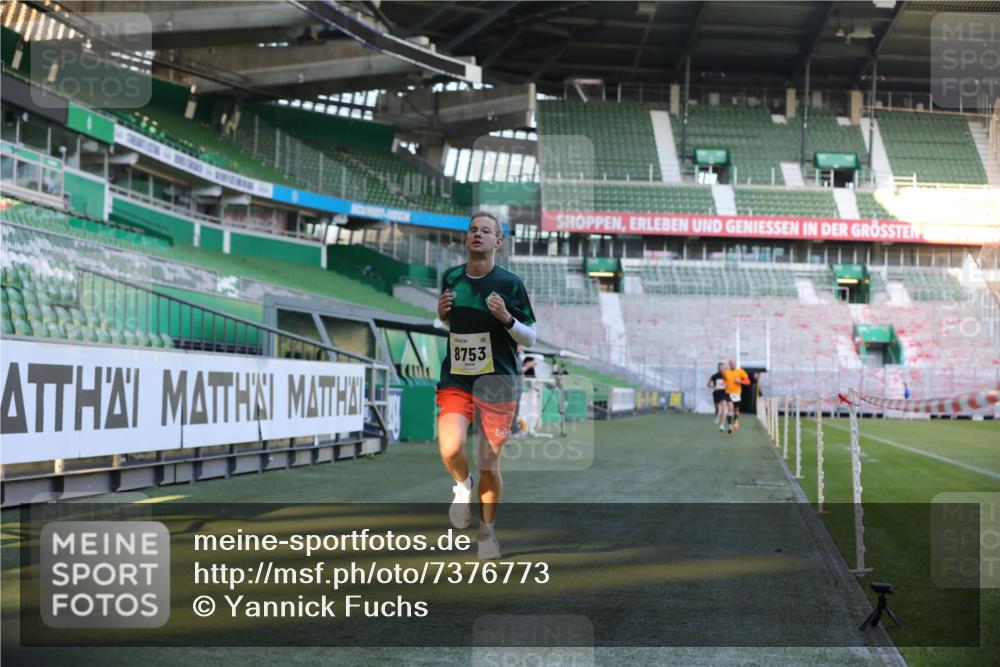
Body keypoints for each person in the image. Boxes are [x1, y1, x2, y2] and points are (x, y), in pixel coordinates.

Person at [437, 211, 536, 560]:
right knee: (451, 448)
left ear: (499, 241)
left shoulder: (510, 284)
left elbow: (531, 335)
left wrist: (507, 319)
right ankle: (462, 488)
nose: (478, 235)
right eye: (473, 230)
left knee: (487, 464)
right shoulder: (450, 277)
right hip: (457, 379)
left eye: (486, 231)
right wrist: (441, 311)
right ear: (467, 238)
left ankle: (487, 534)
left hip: (499, 385)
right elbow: (448, 317)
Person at [722, 359, 751, 434]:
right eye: (731, 363)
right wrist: (724, 384)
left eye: (734, 363)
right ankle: (730, 426)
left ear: (736, 364)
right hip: (728, 393)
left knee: (736, 411)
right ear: (729, 364)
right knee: (730, 408)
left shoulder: (740, 371)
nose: (732, 364)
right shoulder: (726, 372)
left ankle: (735, 422)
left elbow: (748, 382)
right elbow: (724, 380)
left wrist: (740, 381)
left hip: (737, 394)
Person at [707, 362, 728, 431]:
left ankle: (722, 425)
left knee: (724, 408)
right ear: (718, 368)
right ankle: (717, 416)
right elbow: (708, 384)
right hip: (716, 393)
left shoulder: (727, 375)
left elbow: (729, 383)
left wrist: (727, 385)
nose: (721, 368)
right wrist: (713, 386)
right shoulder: (714, 376)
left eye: (722, 367)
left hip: (724, 393)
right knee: (717, 408)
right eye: (720, 367)